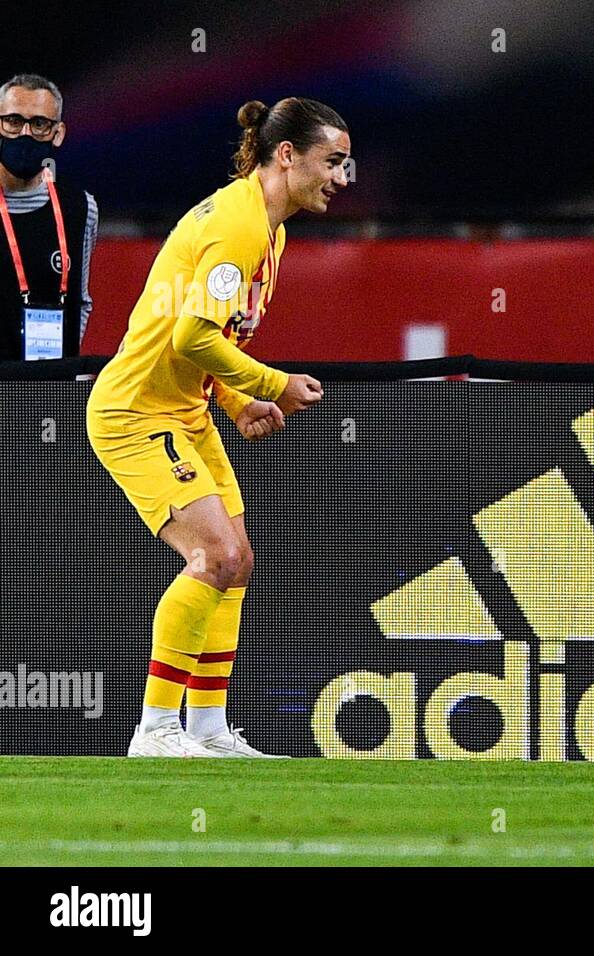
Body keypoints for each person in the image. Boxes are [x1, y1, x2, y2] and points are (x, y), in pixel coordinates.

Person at [86, 98, 350, 757]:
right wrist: (272, 384)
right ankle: (155, 730)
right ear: (286, 155)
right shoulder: (240, 227)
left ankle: (208, 731)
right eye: (333, 162)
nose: (342, 178)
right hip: (136, 410)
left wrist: (234, 404)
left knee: (239, 562)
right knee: (216, 557)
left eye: (348, 164)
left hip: (186, 409)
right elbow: (192, 333)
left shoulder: (269, 228)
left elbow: (209, 337)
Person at [0, 74, 97, 361]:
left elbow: (81, 301)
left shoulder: (81, 208)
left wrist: (59, 368)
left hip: (50, 390)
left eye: (39, 124)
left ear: (58, 133)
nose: (26, 133)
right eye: (14, 121)